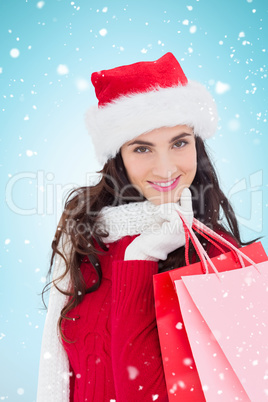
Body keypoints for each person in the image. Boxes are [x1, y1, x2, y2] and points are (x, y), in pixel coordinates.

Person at [37, 52, 246, 401]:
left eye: (179, 142)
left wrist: (142, 256)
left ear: (198, 145)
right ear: (118, 156)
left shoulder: (219, 258)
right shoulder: (86, 242)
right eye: (142, 148)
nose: (165, 169)